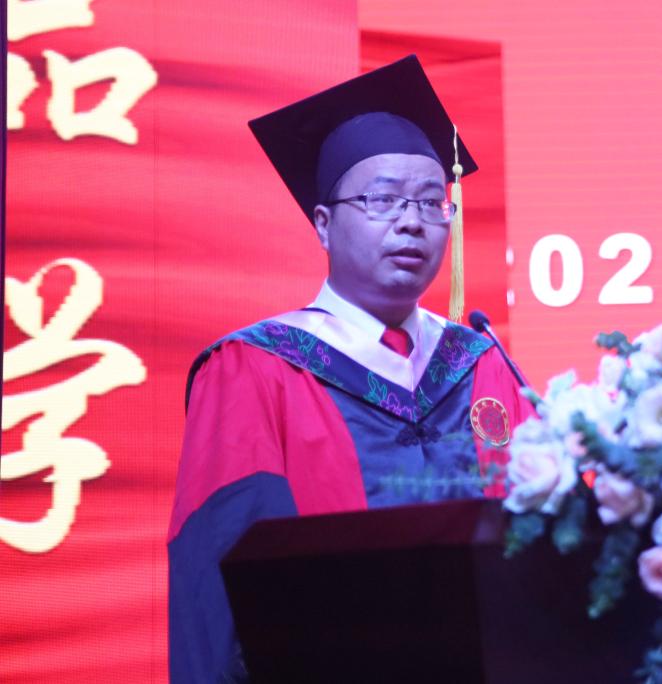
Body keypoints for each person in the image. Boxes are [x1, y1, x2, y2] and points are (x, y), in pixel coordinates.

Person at [167, 55, 534, 683]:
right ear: (324, 225)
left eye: (432, 202)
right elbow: (219, 580)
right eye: (383, 199)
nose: (412, 221)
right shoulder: (257, 368)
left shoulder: (481, 363)